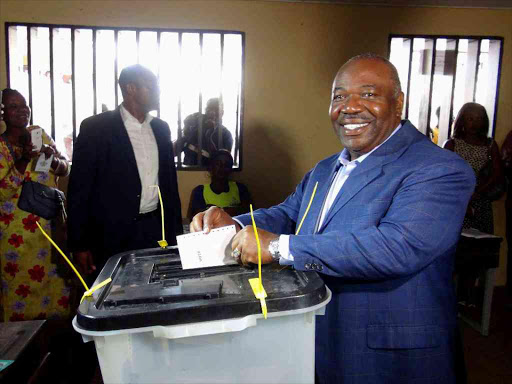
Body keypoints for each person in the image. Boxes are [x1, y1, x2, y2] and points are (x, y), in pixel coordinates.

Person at [191, 54, 475, 383]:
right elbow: (289, 213)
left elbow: (397, 247)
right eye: (339, 96)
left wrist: (281, 248)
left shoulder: (438, 169)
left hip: (391, 356)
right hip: (322, 338)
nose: (350, 107)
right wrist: (235, 224)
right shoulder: (326, 169)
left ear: (398, 104)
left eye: (368, 94)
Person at [67, 64, 183, 282]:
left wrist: (175, 234)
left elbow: (169, 184)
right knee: (111, 297)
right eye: (152, 87)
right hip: (110, 234)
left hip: (154, 230)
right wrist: (79, 244)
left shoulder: (161, 128)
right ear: (131, 89)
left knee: (154, 292)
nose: (158, 92)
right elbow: (79, 189)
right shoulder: (96, 128)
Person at [0, 88, 71, 321]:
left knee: (56, 289)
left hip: (51, 229)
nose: (22, 111)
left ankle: (55, 344)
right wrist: (24, 159)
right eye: (14, 107)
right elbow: (3, 191)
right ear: (3, 113)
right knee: (21, 295)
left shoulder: (38, 133)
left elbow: (65, 168)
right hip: (17, 239)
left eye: (24, 105)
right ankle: (25, 349)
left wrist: (51, 157)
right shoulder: (0, 147)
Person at [444, 102, 504, 234]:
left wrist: (476, 192)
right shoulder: (452, 144)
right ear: (462, 120)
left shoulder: (490, 145)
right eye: (470, 119)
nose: (474, 123)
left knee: (480, 245)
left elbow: (497, 174)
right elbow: (444, 176)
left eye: (479, 119)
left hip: (481, 201)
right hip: (457, 201)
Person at [187, 149, 251, 220]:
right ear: (211, 167)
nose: (222, 168)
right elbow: (196, 218)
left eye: (226, 164)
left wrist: (215, 211)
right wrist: (230, 211)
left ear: (230, 168)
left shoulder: (241, 189)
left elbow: (249, 214)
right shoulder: (199, 191)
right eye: (218, 164)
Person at [175, 98, 234, 166]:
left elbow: (223, 164)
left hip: (210, 175)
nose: (212, 112)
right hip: (188, 173)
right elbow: (174, 152)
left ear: (222, 113)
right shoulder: (195, 128)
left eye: (216, 109)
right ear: (205, 110)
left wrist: (209, 136)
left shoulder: (226, 134)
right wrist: (186, 130)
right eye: (209, 109)